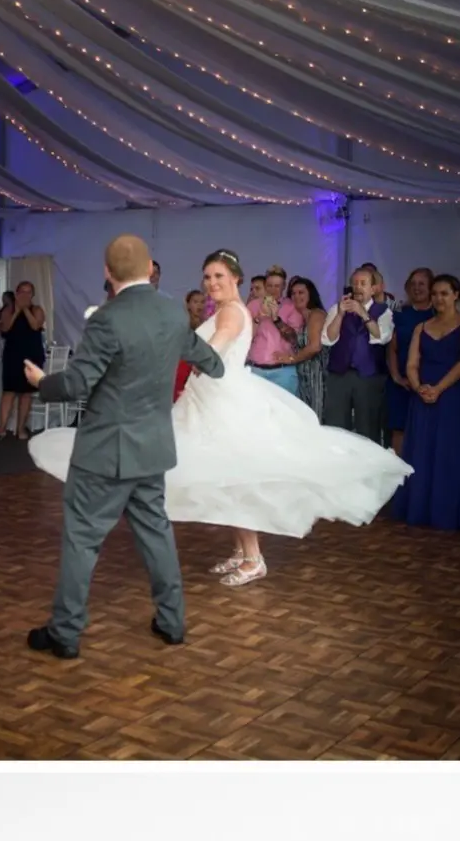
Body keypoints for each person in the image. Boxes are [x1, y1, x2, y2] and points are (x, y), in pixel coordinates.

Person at [30, 247, 412, 593]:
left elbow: (217, 345)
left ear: (236, 279)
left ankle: (254, 558)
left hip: (225, 403)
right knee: (222, 478)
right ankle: (241, 551)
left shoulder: (231, 312)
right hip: (207, 399)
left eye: (219, 276)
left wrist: (189, 354)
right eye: (207, 277)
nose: (211, 282)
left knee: (234, 479)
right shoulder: (227, 309)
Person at [24, 235, 225, 658]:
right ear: (150, 268)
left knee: (82, 540)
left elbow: (76, 384)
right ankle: (172, 622)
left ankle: (65, 633)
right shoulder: (172, 311)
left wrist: (43, 382)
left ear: (107, 272)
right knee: (157, 535)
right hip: (152, 449)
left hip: (104, 452)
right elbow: (212, 362)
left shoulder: (107, 319)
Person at [393, 275, 460, 529]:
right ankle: (421, 508)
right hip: (423, 395)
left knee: (449, 452)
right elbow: (411, 363)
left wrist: (439, 388)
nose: (438, 298)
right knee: (422, 451)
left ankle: (447, 511)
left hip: (452, 395)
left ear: (456, 295)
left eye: (444, 293)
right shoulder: (422, 327)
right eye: (435, 294)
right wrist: (419, 386)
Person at [323, 266, 393, 442]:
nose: (358, 287)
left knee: (368, 427)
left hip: (369, 376)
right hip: (339, 375)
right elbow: (327, 339)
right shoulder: (337, 308)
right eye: (355, 283)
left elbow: (382, 337)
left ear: (373, 289)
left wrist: (363, 313)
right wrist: (340, 315)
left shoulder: (383, 311)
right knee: (336, 426)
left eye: (363, 283)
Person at [386, 267, 434, 455]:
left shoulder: (437, 315)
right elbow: (392, 348)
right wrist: (396, 376)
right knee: (399, 428)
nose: (417, 288)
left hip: (430, 383)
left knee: (426, 429)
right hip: (402, 383)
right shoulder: (400, 315)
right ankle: (399, 470)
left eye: (421, 284)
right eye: (413, 284)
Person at [0, 282, 45, 440]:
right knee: (8, 391)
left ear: (32, 295)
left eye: (28, 292)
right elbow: (5, 328)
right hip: (12, 355)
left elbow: (35, 326)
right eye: (22, 292)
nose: (25, 295)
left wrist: (25, 310)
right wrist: (16, 311)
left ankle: (20, 429)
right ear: (16, 294)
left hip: (32, 355)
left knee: (26, 394)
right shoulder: (8, 310)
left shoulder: (37, 310)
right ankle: (2, 428)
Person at [272, 278, 328, 421]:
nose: (296, 296)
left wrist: (291, 359)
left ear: (311, 294)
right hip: (305, 377)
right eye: (293, 293)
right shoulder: (303, 318)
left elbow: (315, 346)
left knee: (316, 420)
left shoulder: (317, 314)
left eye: (301, 292)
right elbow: (295, 341)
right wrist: (276, 319)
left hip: (318, 377)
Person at [247, 264, 302, 395]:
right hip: (256, 370)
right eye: (270, 286)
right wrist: (258, 318)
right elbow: (245, 337)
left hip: (283, 372)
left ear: (284, 286)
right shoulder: (253, 305)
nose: (273, 290)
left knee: (285, 408)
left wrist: (276, 319)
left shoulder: (291, 306)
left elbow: (294, 339)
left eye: (277, 286)